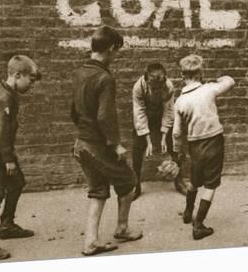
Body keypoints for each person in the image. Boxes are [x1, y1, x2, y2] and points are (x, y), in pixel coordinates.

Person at [70, 26, 143, 256]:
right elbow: (105, 116)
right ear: (111, 49)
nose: (116, 57)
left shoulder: (80, 72)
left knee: (99, 190)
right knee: (130, 182)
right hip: (98, 146)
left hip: (81, 144)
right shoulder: (105, 77)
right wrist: (116, 144)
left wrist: (84, 131)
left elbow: (73, 111)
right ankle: (122, 228)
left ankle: (91, 241)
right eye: (117, 52)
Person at [0, 55, 41, 259]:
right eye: (30, 79)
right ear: (17, 75)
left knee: (16, 183)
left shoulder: (8, 92)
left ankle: (7, 225)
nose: (31, 84)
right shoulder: (4, 97)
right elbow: (1, 132)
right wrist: (8, 160)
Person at [172, 54, 235, 240]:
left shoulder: (180, 101)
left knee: (194, 180)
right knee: (211, 184)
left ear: (182, 75)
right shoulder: (209, 89)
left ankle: (187, 212)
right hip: (214, 142)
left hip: (194, 145)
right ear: (200, 73)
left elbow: (176, 132)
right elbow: (230, 81)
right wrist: (217, 79)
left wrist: (178, 151)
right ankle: (198, 225)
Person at [131, 63, 186, 199]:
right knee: (136, 148)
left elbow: (168, 111)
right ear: (146, 80)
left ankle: (179, 181)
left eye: (159, 88)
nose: (156, 91)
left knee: (175, 144)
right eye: (153, 88)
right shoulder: (138, 87)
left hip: (161, 115)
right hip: (146, 118)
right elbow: (140, 113)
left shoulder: (169, 87)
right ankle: (136, 185)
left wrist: (163, 137)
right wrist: (148, 141)